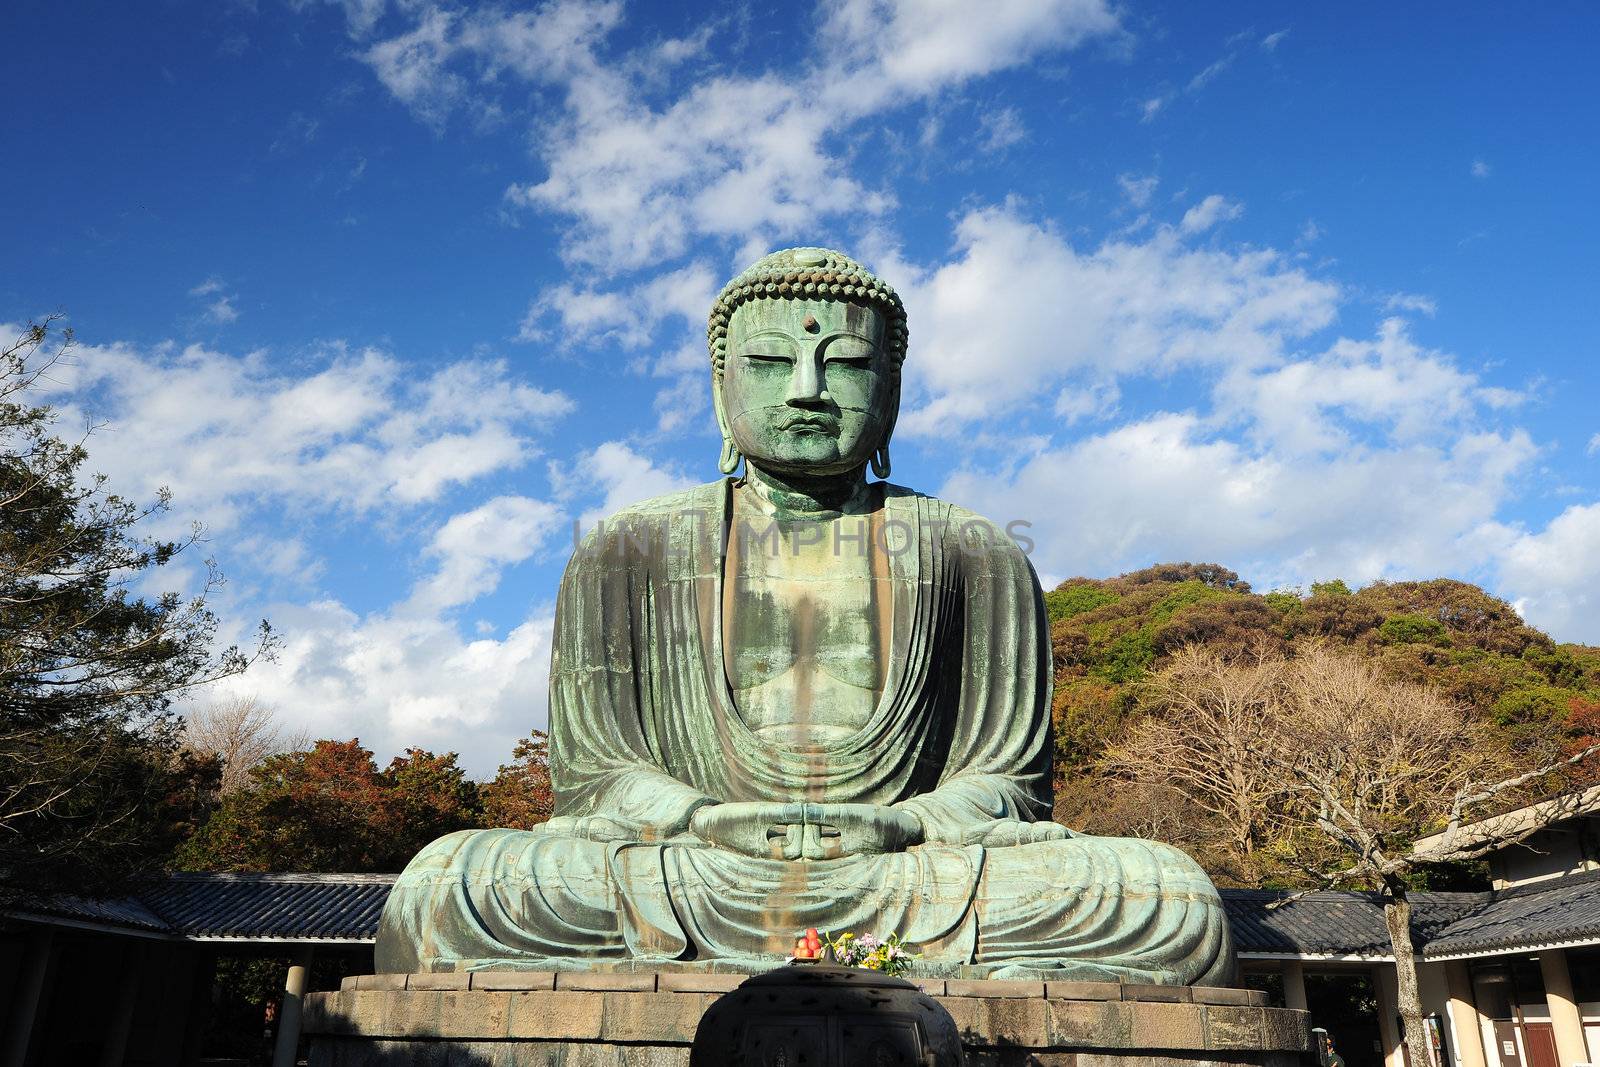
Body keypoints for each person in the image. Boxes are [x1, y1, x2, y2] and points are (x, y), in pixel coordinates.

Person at [375, 248, 1234, 982]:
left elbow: (1011, 785)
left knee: (1167, 898)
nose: (811, 388)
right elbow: (596, 777)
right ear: (721, 389)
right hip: (692, 866)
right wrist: (701, 819)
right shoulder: (626, 549)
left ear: (891, 392)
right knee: (445, 886)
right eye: (773, 363)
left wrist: (904, 821)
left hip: (909, 868)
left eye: (849, 366)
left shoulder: (977, 551)